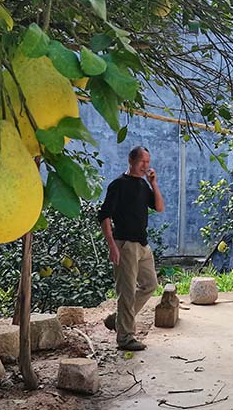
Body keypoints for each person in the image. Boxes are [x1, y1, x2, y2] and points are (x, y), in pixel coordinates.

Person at [99, 146, 164, 351]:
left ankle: (119, 319)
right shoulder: (118, 185)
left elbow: (160, 207)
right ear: (131, 160)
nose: (146, 165)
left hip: (142, 244)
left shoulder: (143, 185)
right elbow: (104, 216)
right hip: (124, 244)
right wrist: (112, 246)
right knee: (126, 292)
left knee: (150, 284)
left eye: (148, 161)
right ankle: (125, 337)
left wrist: (154, 183)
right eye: (142, 161)